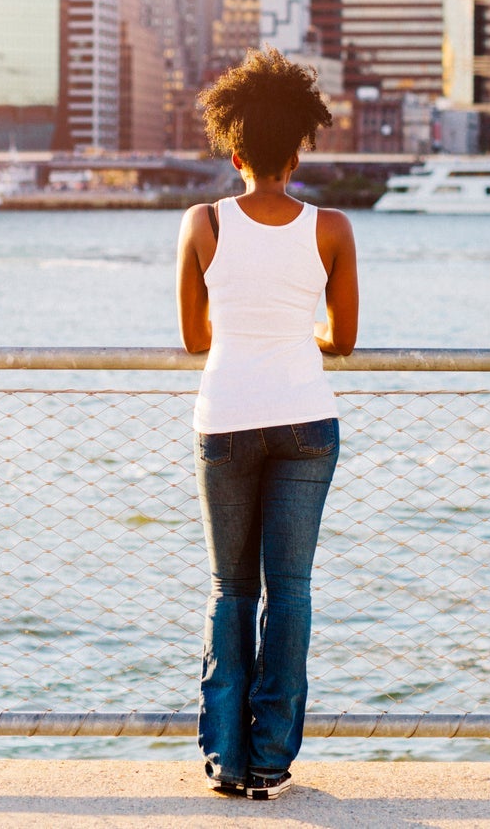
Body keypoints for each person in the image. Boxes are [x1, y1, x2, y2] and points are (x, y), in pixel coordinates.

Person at [176, 48, 358, 801]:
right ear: (298, 150)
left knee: (231, 590)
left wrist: (244, 325)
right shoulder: (332, 229)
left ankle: (224, 757)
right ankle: (272, 758)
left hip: (225, 421)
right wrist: (296, 334)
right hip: (306, 421)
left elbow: (194, 338)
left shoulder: (203, 222)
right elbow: (340, 339)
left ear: (235, 148)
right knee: (290, 591)